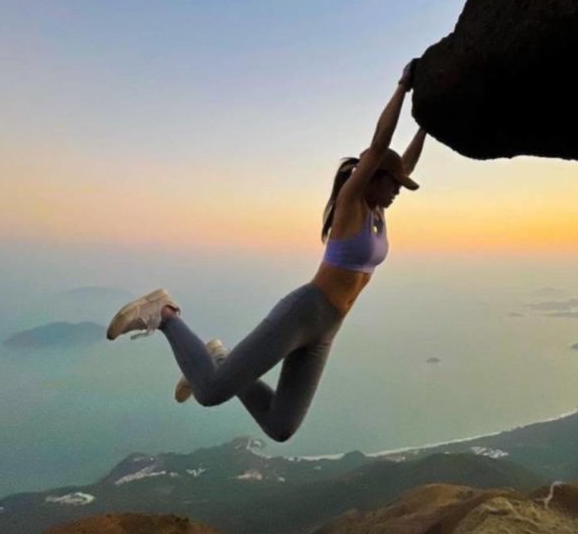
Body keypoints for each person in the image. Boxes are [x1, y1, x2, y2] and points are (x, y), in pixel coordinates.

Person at [105, 59, 426, 442]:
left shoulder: (377, 210)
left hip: (328, 327)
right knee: (209, 392)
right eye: (394, 184)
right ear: (373, 177)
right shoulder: (352, 202)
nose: (397, 191)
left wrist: (427, 123)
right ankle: (166, 314)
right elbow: (380, 146)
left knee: (281, 426)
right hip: (305, 310)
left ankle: (220, 357)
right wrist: (403, 89)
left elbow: (402, 162)